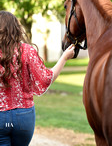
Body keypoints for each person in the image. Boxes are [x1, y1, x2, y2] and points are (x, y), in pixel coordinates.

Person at [0, 10, 75, 146]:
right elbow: (46, 79)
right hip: (24, 117)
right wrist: (64, 57)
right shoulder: (27, 51)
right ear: (16, 29)